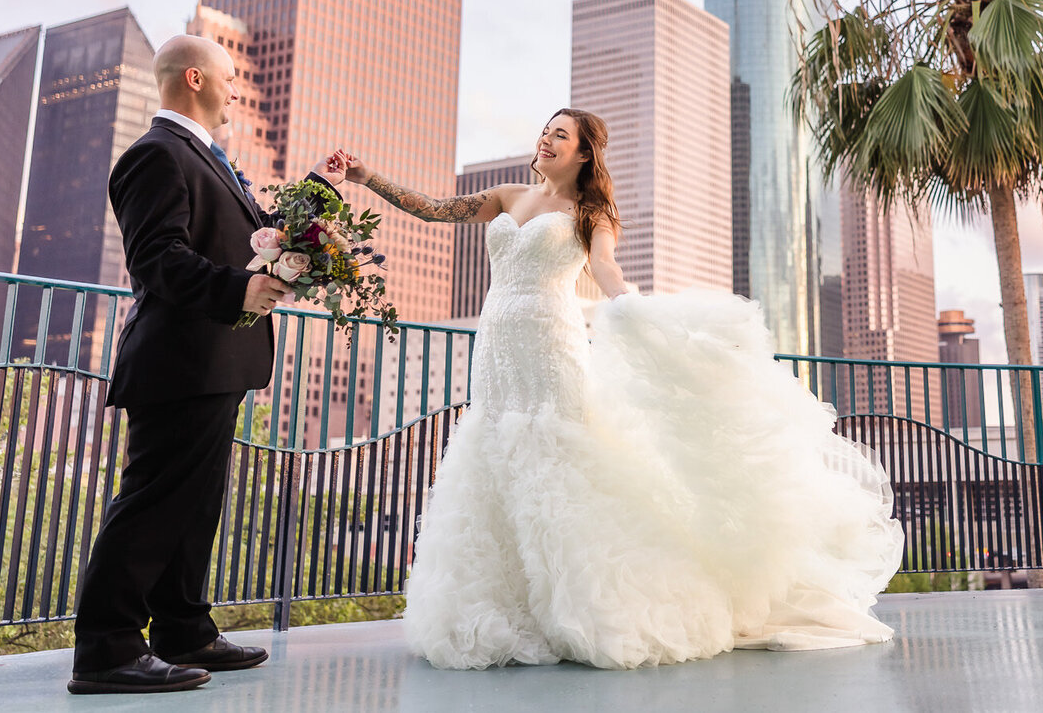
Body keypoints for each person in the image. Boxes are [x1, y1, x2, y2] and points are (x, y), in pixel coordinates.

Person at [340, 107, 903, 671]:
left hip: (549, 343)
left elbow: (606, 269)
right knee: (495, 455)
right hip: (495, 347)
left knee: (552, 461)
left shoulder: (591, 211)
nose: (546, 139)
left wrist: (636, 313)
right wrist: (369, 178)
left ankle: (581, 608)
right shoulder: (508, 196)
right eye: (544, 130)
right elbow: (436, 210)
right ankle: (509, 606)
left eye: (560, 134)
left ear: (584, 153)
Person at [68, 35, 346, 695]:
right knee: (155, 500)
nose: (237, 89)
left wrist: (319, 192)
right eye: (229, 78)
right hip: (178, 361)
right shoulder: (156, 154)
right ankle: (106, 647)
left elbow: (255, 235)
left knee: (195, 505)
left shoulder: (205, 156)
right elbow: (156, 258)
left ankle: (183, 628)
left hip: (214, 361)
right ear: (195, 78)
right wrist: (237, 292)